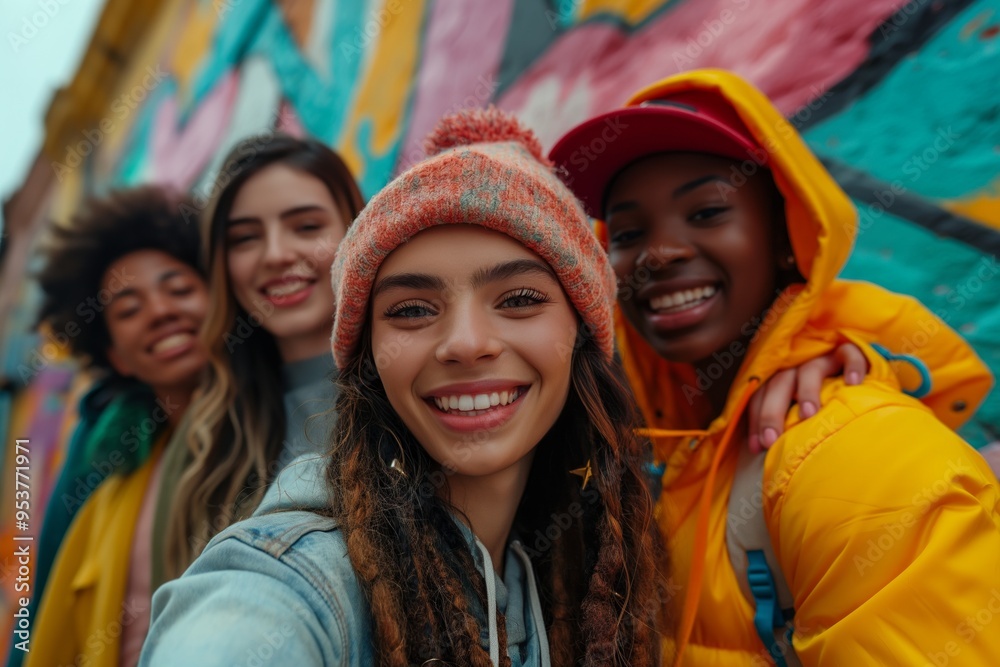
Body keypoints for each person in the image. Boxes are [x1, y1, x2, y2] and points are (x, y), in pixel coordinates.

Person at [141, 108, 666, 666]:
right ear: (369, 359)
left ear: (582, 332)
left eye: (518, 299)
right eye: (412, 309)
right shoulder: (302, 574)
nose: (465, 343)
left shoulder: (566, 561)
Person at [550, 68, 1000, 665]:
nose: (658, 252)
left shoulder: (857, 457)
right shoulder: (650, 453)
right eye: (629, 232)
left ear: (787, 234)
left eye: (706, 212)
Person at [152, 133, 366, 588]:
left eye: (306, 227)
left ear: (357, 230)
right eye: (245, 238)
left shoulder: (418, 392)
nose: (275, 254)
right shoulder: (205, 443)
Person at [21, 186, 210, 667]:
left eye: (180, 289)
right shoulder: (108, 481)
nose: (161, 312)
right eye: (128, 309)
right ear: (116, 357)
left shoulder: (289, 424)